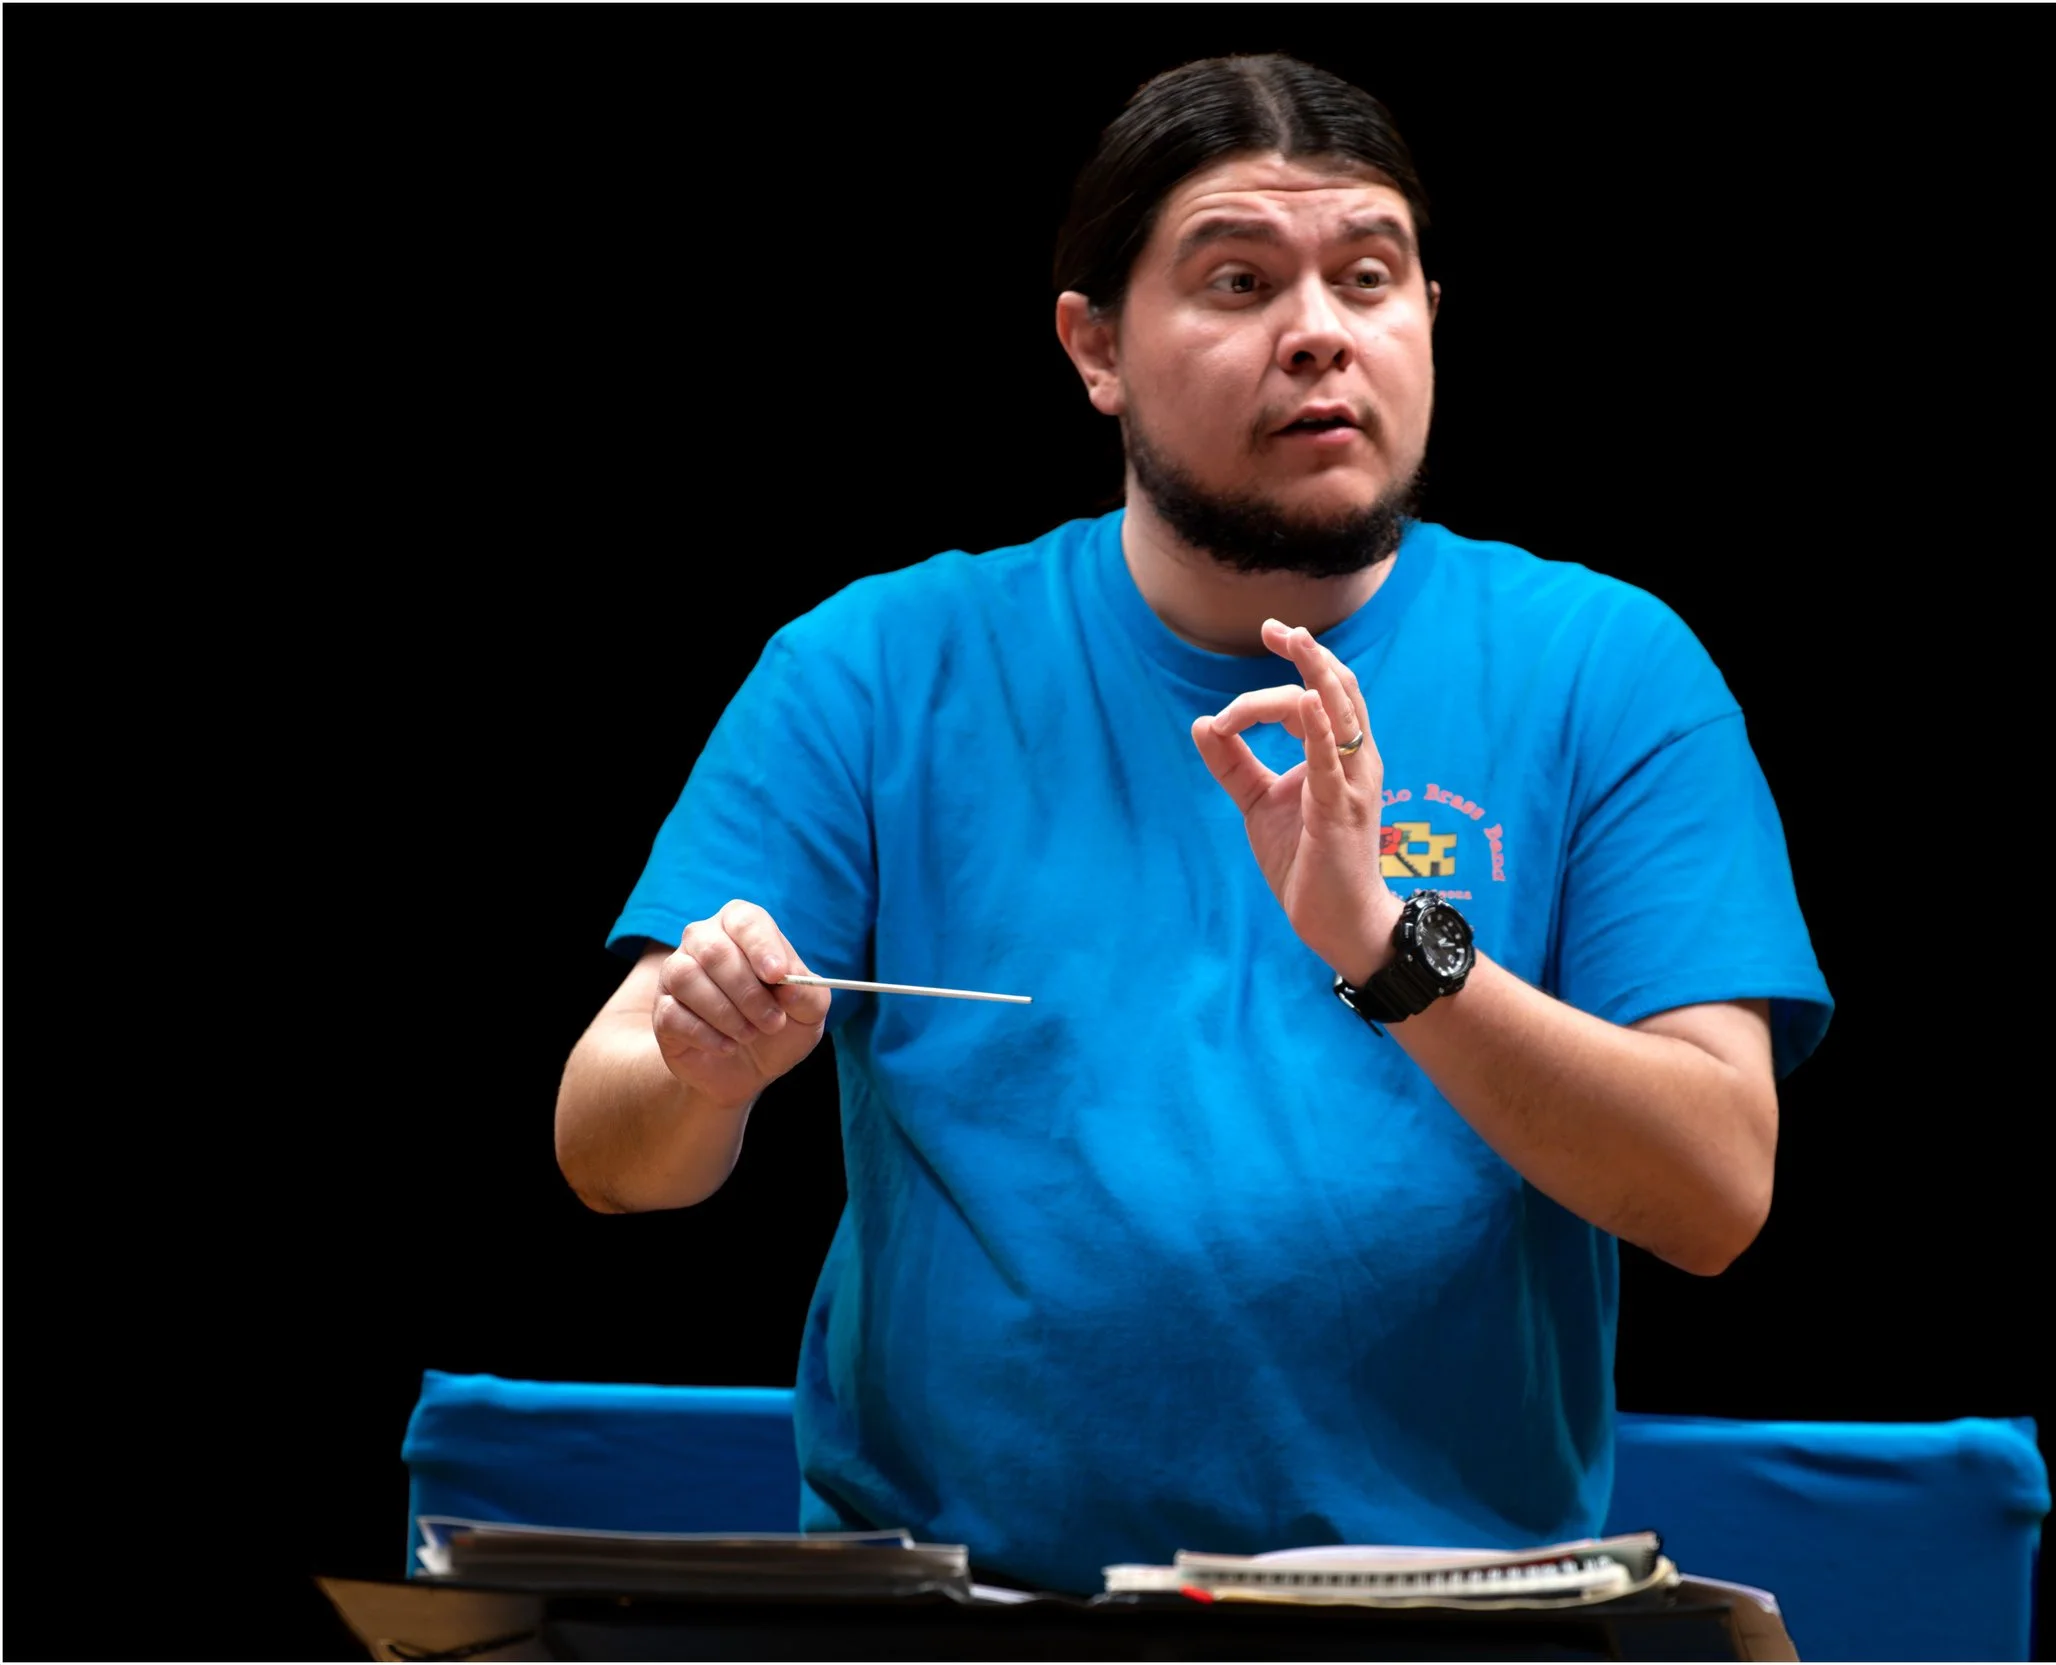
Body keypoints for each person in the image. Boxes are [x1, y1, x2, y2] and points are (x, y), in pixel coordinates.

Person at [553, 52, 1832, 1596]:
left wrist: (1390, 951)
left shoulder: (1605, 669)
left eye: (1372, 277)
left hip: (1448, 1632)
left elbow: (1713, 1192)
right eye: (1238, 280)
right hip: (969, 1619)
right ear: (1095, 348)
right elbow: (614, 1148)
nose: (1319, 333)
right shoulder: (879, 665)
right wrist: (699, 1067)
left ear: (1432, 315)